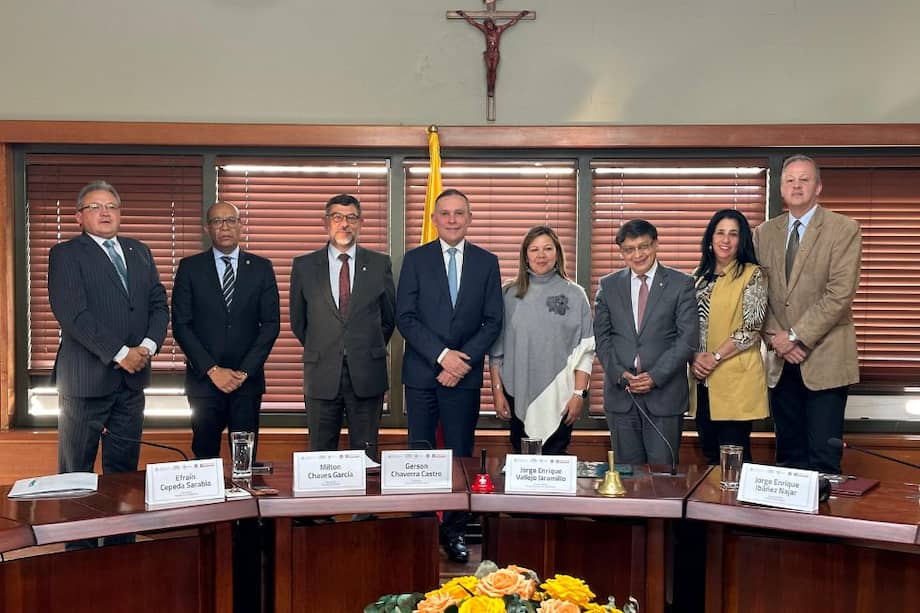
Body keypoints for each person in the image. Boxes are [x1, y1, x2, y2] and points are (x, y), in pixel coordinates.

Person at [396, 188, 503, 562]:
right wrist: (443, 357)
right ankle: (420, 529)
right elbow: (405, 317)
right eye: (445, 213)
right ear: (434, 219)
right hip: (423, 374)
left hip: (465, 377)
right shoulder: (415, 259)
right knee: (420, 456)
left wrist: (463, 361)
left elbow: (493, 321)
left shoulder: (487, 262)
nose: (453, 219)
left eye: (460, 213)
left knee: (460, 456)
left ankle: (454, 533)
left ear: (470, 218)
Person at [48, 180, 169, 474]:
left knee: (124, 475)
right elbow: (73, 314)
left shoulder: (139, 251)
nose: (105, 212)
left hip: (132, 383)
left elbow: (159, 305)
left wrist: (146, 348)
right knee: (76, 472)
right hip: (84, 382)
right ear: (79, 216)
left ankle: (119, 523)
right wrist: (120, 353)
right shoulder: (66, 254)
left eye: (111, 206)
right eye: (95, 207)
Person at [753, 155, 861, 474]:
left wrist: (796, 336)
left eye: (804, 179)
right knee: (788, 458)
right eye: (790, 180)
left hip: (825, 360)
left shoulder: (844, 229)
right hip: (780, 361)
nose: (796, 186)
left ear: (818, 187)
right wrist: (777, 340)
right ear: (782, 189)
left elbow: (839, 294)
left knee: (823, 459)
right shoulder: (763, 233)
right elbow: (757, 296)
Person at [172, 201, 280, 461]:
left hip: (247, 382)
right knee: (204, 455)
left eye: (231, 220)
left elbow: (270, 324)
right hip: (204, 382)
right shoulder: (190, 268)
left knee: (245, 457)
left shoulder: (261, 268)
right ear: (207, 228)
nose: (225, 227)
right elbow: (181, 324)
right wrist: (212, 370)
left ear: (240, 226)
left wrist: (244, 372)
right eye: (218, 221)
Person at [290, 194, 396, 456]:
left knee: (367, 455)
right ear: (326, 222)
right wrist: (328, 345)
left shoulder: (379, 264)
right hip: (322, 373)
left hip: (367, 372)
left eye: (351, 218)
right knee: (321, 454)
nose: (344, 224)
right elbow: (298, 321)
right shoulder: (304, 266)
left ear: (360, 223)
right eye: (337, 217)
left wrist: (360, 346)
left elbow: (388, 318)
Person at [594, 219, 698, 466]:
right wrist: (620, 374)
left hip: (664, 396)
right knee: (626, 477)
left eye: (644, 246)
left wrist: (655, 376)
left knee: (662, 480)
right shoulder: (608, 285)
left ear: (656, 245)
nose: (638, 254)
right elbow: (602, 338)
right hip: (622, 395)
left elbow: (687, 339)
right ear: (622, 252)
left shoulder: (680, 284)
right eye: (629, 249)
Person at [489, 225, 594, 454]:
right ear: (525, 255)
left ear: (557, 253)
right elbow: (497, 353)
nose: (541, 255)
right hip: (516, 394)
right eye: (534, 249)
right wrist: (497, 392)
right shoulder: (508, 294)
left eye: (548, 248)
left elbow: (585, 351)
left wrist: (578, 395)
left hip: (562, 397)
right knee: (522, 461)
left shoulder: (576, 295)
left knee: (555, 461)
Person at [689, 209, 768, 464]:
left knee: (735, 459)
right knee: (711, 456)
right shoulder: (697, 278)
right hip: (703, 382)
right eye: (720, 232)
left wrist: (715, 356)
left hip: (736, 381)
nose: (726, 239)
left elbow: (752, 328)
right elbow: (686, 326)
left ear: (742, 239)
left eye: (733, 234)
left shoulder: (753, 274)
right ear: (710, 239)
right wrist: (694, 358)